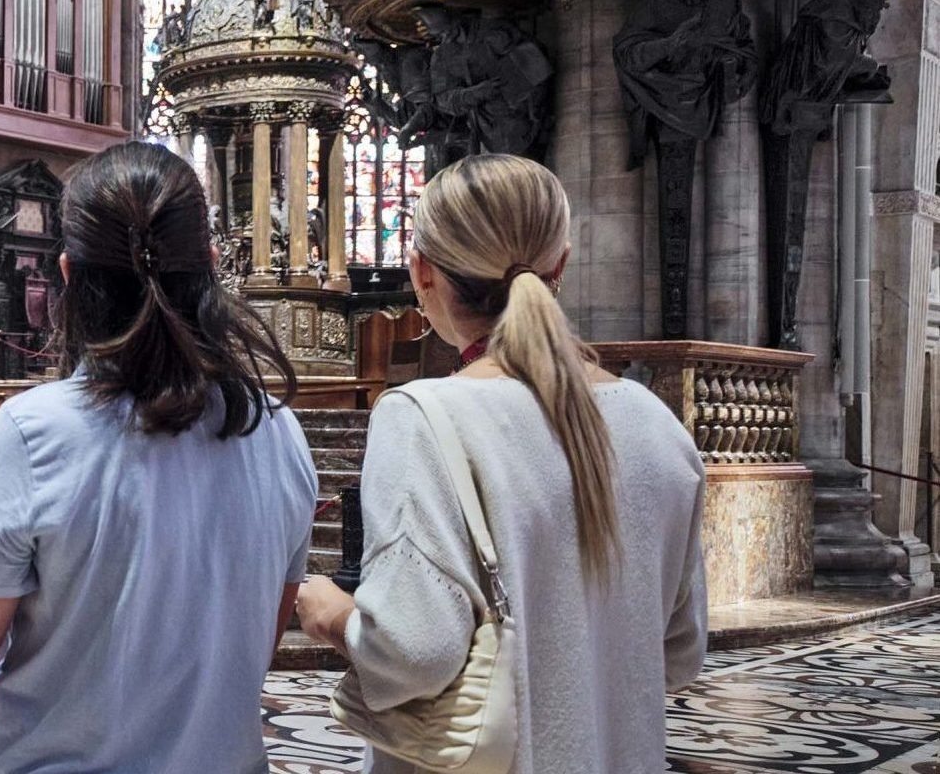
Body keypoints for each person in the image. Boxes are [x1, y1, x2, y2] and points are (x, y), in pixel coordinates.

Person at [295, 154, 708, 773]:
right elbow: (679, 653)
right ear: (561, 264)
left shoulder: (423, 416)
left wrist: (328, 611)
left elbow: (412, 651)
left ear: (421, 273)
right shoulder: (658, 425)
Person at [0, 141, 316, 774]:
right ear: (211, 264)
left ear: (68, 274)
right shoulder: (280, 432)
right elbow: (252, 647)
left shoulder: (33, 431)